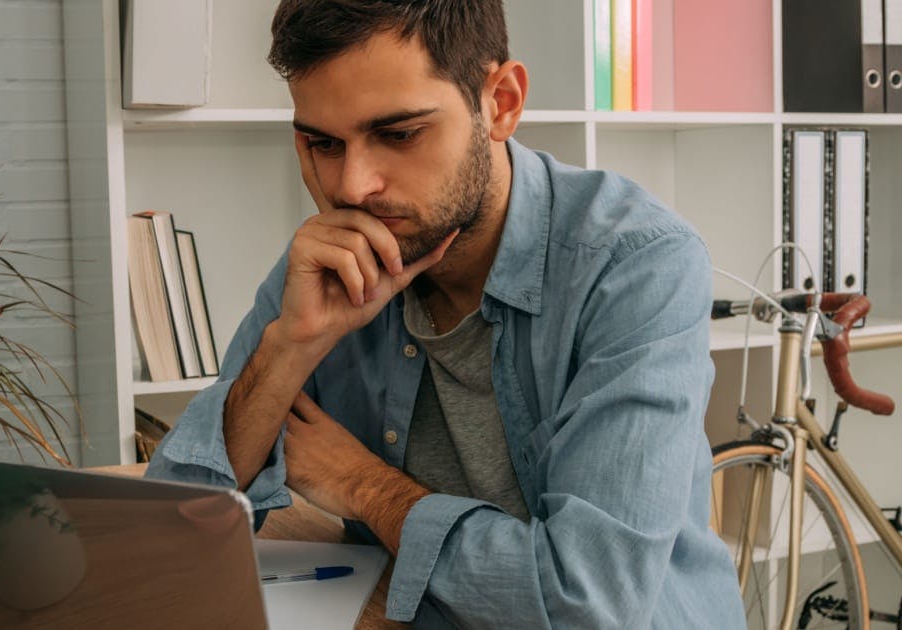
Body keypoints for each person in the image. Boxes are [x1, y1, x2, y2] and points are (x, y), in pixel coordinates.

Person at [147, 1, 744, 627]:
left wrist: (362, 485)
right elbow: (172, 531)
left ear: (501, 103)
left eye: (399, 134)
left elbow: (588, 604)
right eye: (323, 143)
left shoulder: (635, 266)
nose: (353, 187)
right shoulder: (338, 258)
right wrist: (289, 346)